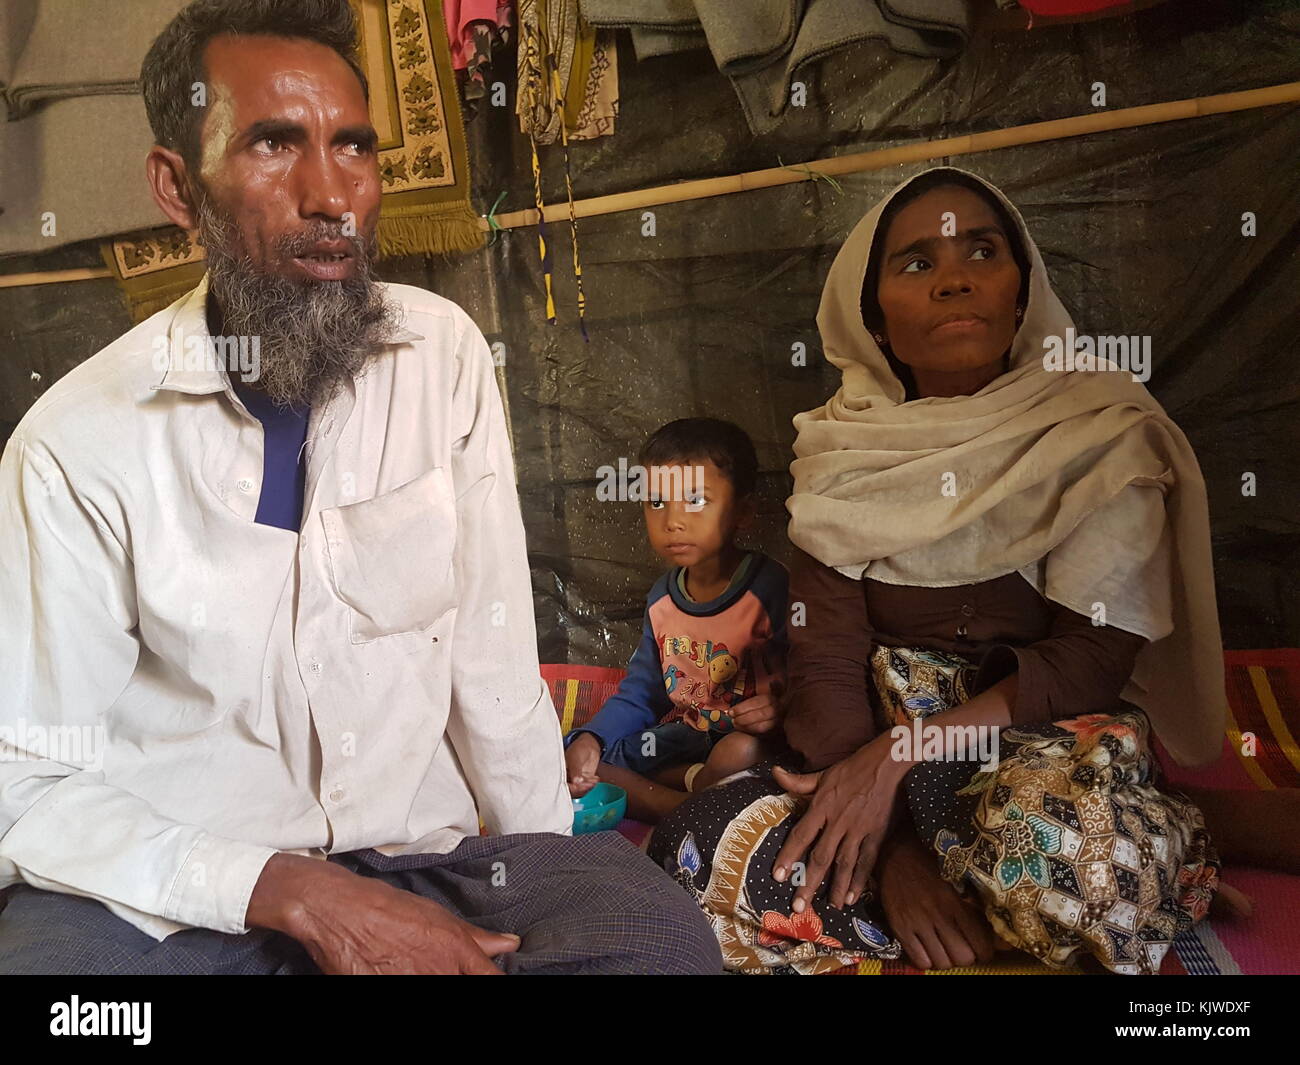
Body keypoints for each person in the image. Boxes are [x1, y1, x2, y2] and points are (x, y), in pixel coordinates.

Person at [0, 0, 721, 976]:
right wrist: (291, 890)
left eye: (354, 148)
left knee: (654, 936)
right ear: (178, 186)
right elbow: (28, 782)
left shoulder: (439, 356)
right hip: (188, 897)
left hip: (421, 859)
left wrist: (547, 860)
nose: (331, 194)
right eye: (273, 144)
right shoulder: (77, 445)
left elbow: (491, 661)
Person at [648, 165, 1240, 976]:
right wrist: (892, 855)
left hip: (1040, 752)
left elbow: (1095, 657)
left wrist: (901, 759)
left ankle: (1166, 839)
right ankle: (1037, 896)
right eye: (917, 263)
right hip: (857, 757)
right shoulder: (839, 453)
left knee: (1045, 836)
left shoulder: (1099, 431)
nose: (954, 278)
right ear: (876, 321)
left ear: (1022, 291)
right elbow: (823, 669)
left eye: (982, 252)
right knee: (689, 846)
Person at [565, 419, 789, 822]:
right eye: (656, 502)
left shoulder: (770, 588)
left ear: (742, 512)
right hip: (688, 737)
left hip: (756, 739)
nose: (673, 521)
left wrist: (781, 707)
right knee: (581, 757)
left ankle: (681, 806)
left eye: (696, 501)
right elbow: (643, 693)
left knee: (738, 751)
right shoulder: (662, 600)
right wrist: (591, 738)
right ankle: (695, 802)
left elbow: (815, 675)